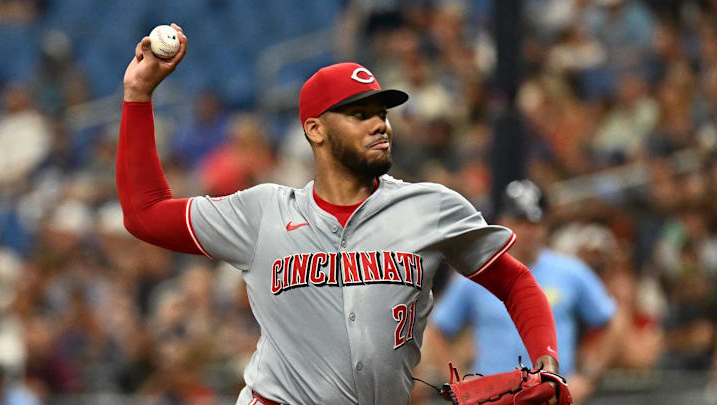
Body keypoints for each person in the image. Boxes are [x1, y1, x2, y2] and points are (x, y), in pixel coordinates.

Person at [118, 24, 563, 405]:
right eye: (359, 113)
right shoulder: (262, 212)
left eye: (382, 113)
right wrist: (138, 95)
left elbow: (515, 281)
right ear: (315, 129)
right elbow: (145, 213)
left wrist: (546, 357)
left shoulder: (430, 207)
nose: (380, 124)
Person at [425, 179, 621, 403]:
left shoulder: (571, 272)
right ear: (501, 221)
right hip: (494, 398)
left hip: (549, 398)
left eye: (535, 222)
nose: (528, 231)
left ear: (547, 225)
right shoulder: (478, 273)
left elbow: (612, 322)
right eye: (520, 221)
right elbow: (438, 331)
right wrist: (461, 386)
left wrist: (587, 376)